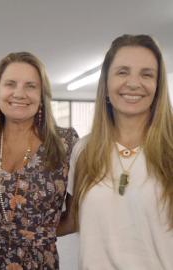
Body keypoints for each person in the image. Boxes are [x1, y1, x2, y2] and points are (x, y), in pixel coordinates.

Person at [60, 34, 173, 269]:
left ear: (158, 86)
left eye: (147, 74)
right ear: (106, 84)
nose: (133, 83)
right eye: (123, 72)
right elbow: (71, 221)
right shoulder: (84, 150)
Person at [0, 52, 78, 270]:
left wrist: (34, 235)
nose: (19, 93)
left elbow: (75, 217)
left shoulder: (66, 143)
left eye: (30, 86)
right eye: (10, 84)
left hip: (39, 262)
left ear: (42, 94)